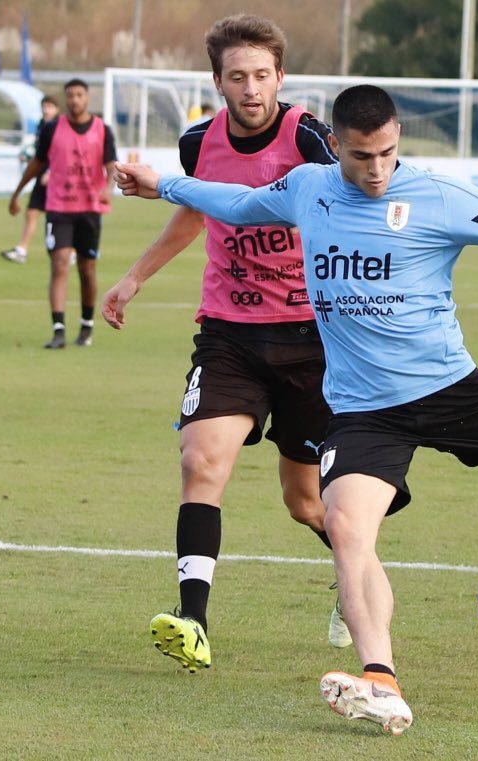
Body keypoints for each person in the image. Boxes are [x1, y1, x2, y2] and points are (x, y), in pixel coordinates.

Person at [114, 84, 478, 735]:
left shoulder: (438, 197)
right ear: (335, 145)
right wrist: (163, 185)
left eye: (388, 153)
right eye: (362, 156)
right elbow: (238, 203)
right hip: (364, 410)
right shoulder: (308, 188)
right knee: (346, 528)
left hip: (447, 389)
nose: (377, 170)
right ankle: (381, 680)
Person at [100, 14, 344, 674]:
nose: (251, 89)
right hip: (229, 334)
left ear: (280, 77)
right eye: (238, 77)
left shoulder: (309, 137)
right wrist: (134, 277)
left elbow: (355, 204)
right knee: (201, 460)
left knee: (304, 501)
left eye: (262, 75)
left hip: (310, 339)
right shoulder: (198, 142)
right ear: (217, 81)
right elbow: (194, 211)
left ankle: (356, 575)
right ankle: (194, 620)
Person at [9, 79, 116, 349]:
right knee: (59, 264)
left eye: (79, 95)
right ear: (65, 99)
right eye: (70, 95)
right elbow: (37, 162)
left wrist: (108, 188)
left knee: (87, 269)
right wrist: (17, 192)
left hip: (89, 209)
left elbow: (111, 166)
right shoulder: (52, 128)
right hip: (58, 208)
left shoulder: (102, 129)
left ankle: (86, 325)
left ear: (87, 98)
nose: (74, 100)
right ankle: (58, 330)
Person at [1, 95, 60, 264]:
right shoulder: (42, 125)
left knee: (60, 216)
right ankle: (22, 250)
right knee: (32, 212)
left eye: (49, 106)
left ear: (57, 109)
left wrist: (51, 171)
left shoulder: (59, 126)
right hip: (40, 175)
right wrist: (30, 158)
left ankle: (71, 250)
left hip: (56, 177)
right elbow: (41, 152)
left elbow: (61, 152)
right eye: (44, 106)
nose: (46, 110)